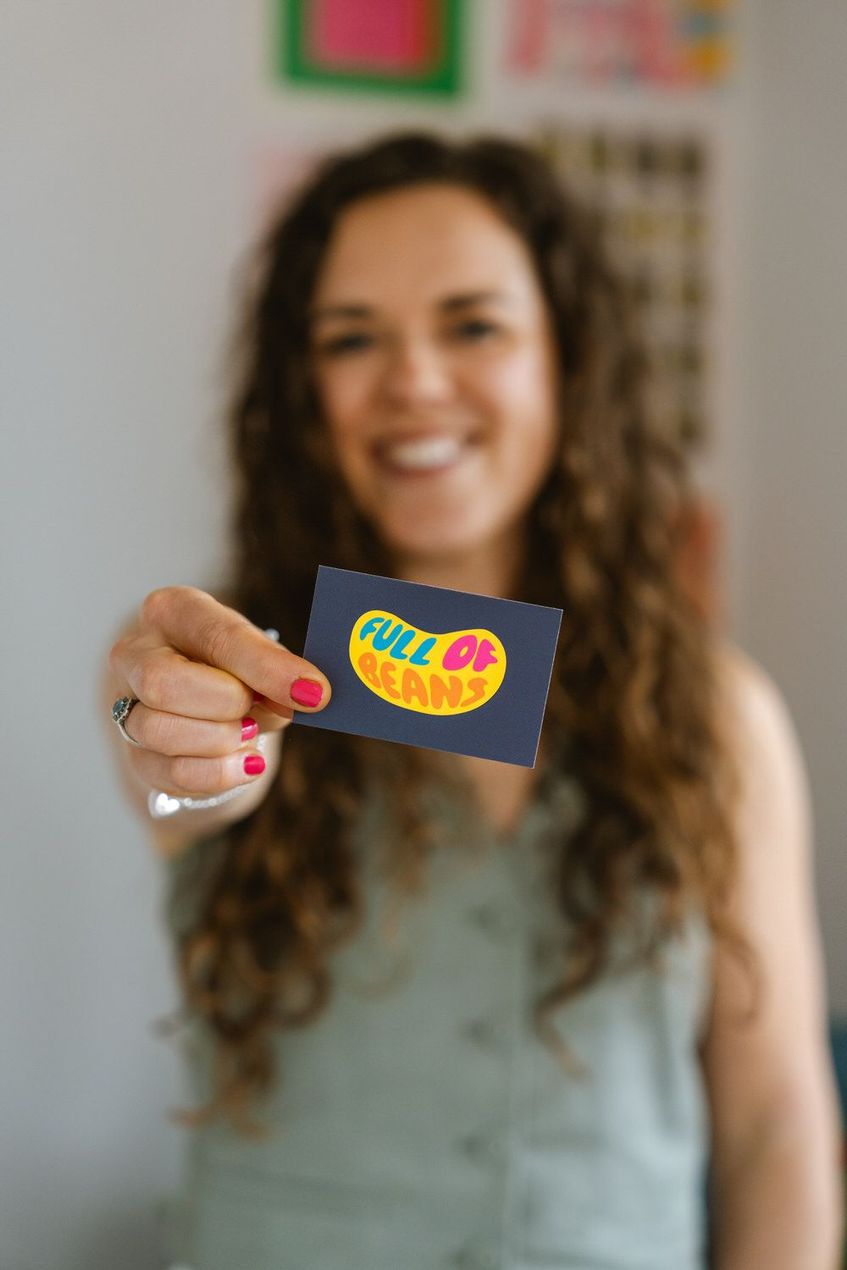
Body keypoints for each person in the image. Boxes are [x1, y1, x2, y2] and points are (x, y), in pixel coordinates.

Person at [105, 132, 843, 1270]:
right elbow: (187, 784)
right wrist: (173, 742)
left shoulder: (713, 712)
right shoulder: (227, 664)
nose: (413, 380)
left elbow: (772, 1124)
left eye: (473, 325)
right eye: (352, 338)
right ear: (305, 394)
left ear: (566, 361)